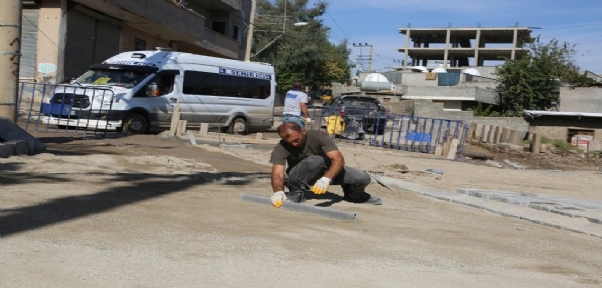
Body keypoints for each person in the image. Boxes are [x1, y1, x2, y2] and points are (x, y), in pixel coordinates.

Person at [269, 122, 382, 207]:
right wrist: (278, 192)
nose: (294, 144)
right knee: (316, 160)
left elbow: (338, 160)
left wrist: (326, 179)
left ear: (303, 131)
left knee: (363, 178)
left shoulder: (318, 136)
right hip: (301, 175)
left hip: (326, 172)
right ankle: (296, 191)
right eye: (290, 142)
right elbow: (277, 173)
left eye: (297, 139)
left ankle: (353, 195)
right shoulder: (281, 147)